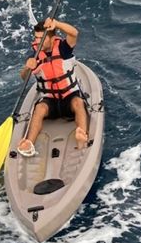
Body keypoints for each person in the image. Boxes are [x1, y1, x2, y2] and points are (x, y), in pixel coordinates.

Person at [17, 18, 88, 156]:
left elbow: (74, 33)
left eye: (41, 38)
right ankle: (29, 143)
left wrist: (57, 24)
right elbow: (23, 78)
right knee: (39, 108)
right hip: (50, 101)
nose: (37, 42)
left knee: (78, 103)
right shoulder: (35, 55)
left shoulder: (63, 49)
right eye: (36, 38)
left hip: (69, 97)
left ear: (52, 38)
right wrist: (27, 68)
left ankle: (81, 136)